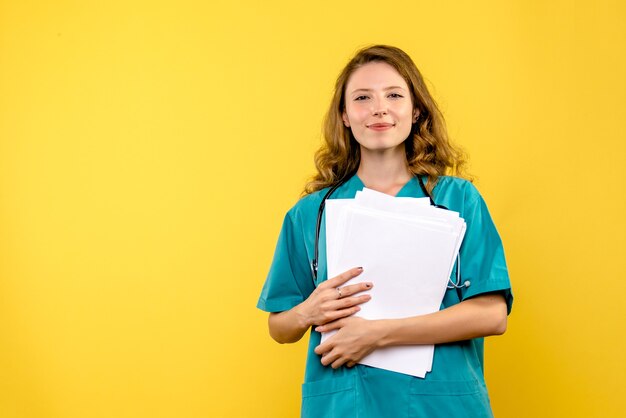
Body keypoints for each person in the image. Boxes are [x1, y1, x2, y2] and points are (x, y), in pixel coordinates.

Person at [257, 45, 513, 418]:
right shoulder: (309, 214)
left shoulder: (458, 199)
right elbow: (279, 326)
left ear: (416, 110)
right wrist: (306, 312)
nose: (379, 108)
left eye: (394, 95)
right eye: (362, 98)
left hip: (441, 404)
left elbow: (492, 315)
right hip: (346, 404)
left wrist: (377, 334)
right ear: (345, 115)